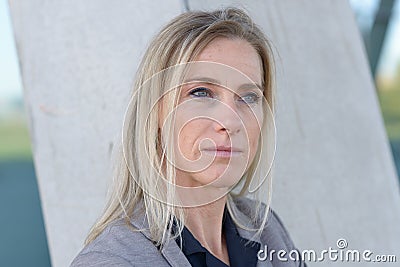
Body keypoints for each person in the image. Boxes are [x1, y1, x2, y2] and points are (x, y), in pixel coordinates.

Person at [71, 7, 306, 267]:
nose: (230, 122)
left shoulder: (265, 228)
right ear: (155, 111)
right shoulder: (114, 261)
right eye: (201, 92)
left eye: (248, 97)